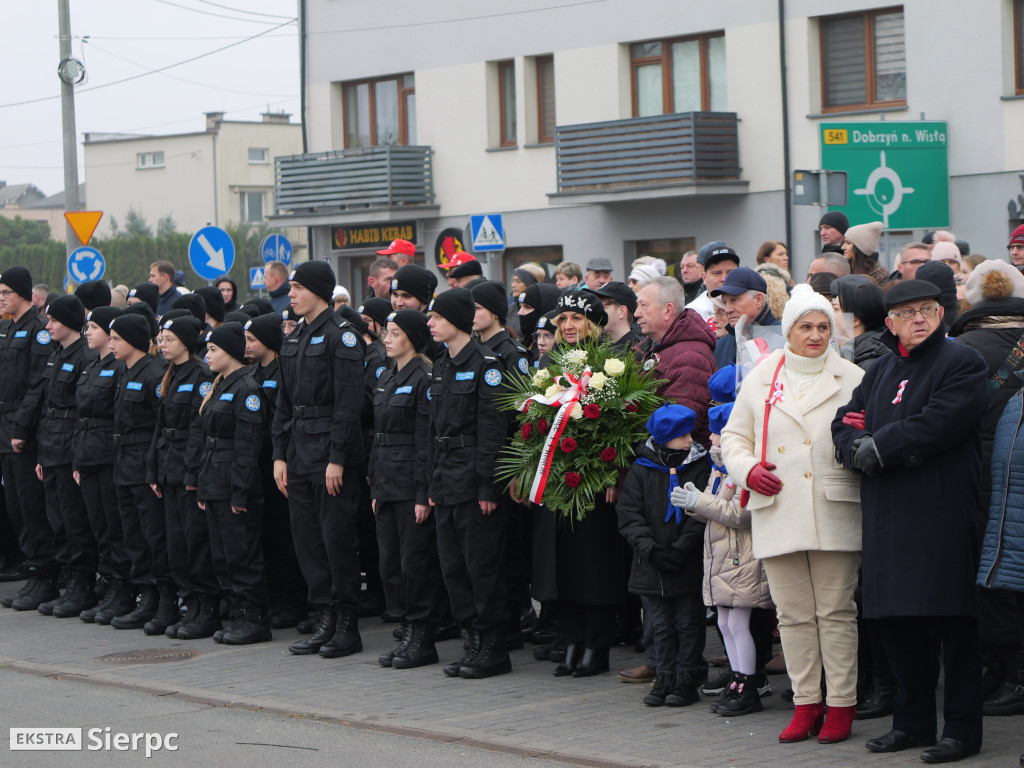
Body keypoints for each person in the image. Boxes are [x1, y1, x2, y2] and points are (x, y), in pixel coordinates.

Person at [833, 279, 988, 763]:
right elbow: (845, 419)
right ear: (891, 322)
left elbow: (942, 420)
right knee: (897, 626)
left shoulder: (962, 362)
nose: (918, 318)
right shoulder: (879, 369)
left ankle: (961, 731)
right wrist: (853, 444)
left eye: (927, 309)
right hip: (887, 516)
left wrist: (881, 444)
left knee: (953, 626)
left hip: (939, 513)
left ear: (942, 314)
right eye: (907, 312)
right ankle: (912, 722)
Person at [723, 283, 865, 745]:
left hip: (834, 506)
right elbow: (733, 439)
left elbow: (869, 435)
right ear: (789, 330)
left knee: (837, 612)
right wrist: (747, 471)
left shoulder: (854, 377)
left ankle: (841, 704)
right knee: (793, 615)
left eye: (824, 326)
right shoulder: (762, 374)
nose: (816, 334)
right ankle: (807, 703)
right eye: (806, 326)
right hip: (779, 507)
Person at [272, 261, 368, 659]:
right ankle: (324, 616)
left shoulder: (341, 337)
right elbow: (283, 403)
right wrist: (279, 454)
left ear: (317, 291)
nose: (290, 294)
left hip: (329, 451)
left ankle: (346, 624)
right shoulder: (294, 338)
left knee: (336, 539)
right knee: (308, 540)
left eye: (296, 288)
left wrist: (338, 457)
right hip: (299, 451)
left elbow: (349, 403)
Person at [425, 288, 509, 678]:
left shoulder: (486, 365)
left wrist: (487, 489)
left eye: (436, 317)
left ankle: (492, 647)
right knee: (453, 566)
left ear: (456, 320)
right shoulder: (440, 364)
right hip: (445, 480)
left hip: (473, 482)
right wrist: (430, 484)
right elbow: (432, 431)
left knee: (481, 567)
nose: (430, 323)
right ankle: (471, 640)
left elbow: (492, 433)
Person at [675, 398, 773, 716]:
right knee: (725, 621)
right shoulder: (721, 467)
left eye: (716, 434)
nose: (710, 440)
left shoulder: (744, 466)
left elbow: (741, 515)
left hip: (741, 557)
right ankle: (737, 680)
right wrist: (693, 501)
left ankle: (748, 684)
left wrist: (700, 501)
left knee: (739, 623)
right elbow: (715, 512)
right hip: (723, 556)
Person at [617, 404, 710, 706]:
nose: (689, 441)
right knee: (660, 622)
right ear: (663, 438)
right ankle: (664, 674)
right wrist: (651, 550)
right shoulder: (642, 469)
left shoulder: (699, 465)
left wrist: (682, 548)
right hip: (652, 563)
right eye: (681, 436)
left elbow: (702, 511)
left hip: (687, 560)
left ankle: (687, 676)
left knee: (687, 621)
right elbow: (629, 515)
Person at [371, 309, 442, 668]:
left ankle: (422, 636)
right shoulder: (387, 374)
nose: (387, 338)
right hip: (385, 482)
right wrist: (373, 483)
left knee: (414, 564)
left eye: (395, 333)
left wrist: (421, 493)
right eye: (386, 332)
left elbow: (424, 441)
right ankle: (406, 630)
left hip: (409, 485)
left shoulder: (424, 377)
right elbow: (378, 435)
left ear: (412, 338)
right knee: (391, 566)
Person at [196, 323, 270, 644]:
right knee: (223, 555)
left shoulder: (247, 389)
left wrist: (240, 491)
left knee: (242, 554)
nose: (207, 355)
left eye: (213, 349)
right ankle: (237, 614)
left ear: (230, 351)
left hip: (234, 483)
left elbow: (247, 447)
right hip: (214, 480)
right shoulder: (221, 384)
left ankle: (254, 619)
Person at [147, 315, 217, 638]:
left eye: (169, 339)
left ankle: (206, 608)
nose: (162, 344)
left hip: (187, 473)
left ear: (186, 342)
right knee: (176, 545)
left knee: (195, 544)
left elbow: (197, 431)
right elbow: (160, 427)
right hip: (169, 469)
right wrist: (154, 470)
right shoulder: (170, 374)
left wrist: (190, 474)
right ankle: (189, 604)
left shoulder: (201, 374)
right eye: (161, 339)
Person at [33, 295, 99, 618]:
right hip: (51, 446)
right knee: (56, 518)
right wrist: (42, 454)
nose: (48, 326)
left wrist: (74, 457)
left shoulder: (85, 357)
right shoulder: (56, 355)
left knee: (75, 520)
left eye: (54, 320)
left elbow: (78, 411)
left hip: (70, 446)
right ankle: (67, 579)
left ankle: (82, 583)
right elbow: (49, 407)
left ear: (69, 322)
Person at [244, 313, 307, 631]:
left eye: (252, 339)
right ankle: (275, 596)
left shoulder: (284, 371)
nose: (247, 345)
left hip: (279, 461)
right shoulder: (252, 372)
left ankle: (294, 601)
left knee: (286, 537)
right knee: (266, 535)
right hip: (258, 464)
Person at [0, 267, 57, 611]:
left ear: (23, 293)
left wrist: (21, 428)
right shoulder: (7, 328)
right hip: (4, 423)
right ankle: (32, 570)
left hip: (22, 428)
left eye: (6, 292)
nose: (2, 297)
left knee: (30, 504)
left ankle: (44, 576)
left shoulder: (38, 332)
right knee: (15, 506)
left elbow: (37, 386)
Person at [108, 313, 169, 631]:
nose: (111, 343)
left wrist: (153, 469)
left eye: (116, 338)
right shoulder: (124, 370)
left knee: (153, 534)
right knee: (132, 534)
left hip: (144, 464)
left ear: (132, 340)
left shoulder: (153, 373)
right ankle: (144, 593)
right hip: (124, 464)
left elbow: (158, 425)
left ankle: (162, 598)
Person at [75, 306, 135, 624]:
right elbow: (79, 415)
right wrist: (77, 459)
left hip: (109, 456)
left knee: (115, 527)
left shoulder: (119, 367)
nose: (88, 332)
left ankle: (122, 589)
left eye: (95, 328)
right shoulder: (89, 365)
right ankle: (109, 584)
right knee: (99, 527)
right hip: (87, 455)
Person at [634, 277, 716, 444]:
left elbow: (677, 429)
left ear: (667, 311)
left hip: (673, 465)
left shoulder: (690, 357)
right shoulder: (653, 347)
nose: (636, 313)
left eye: (644, 305)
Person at [709, 267, 781, 371]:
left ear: (758, 299)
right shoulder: (721, 346)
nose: (727, 310)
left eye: (734, 300)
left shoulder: (785, 339)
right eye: (725, 303)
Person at [829, 276, 888, 368]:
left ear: (854, 320)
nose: (830, 314)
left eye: (836, 309)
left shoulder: (869, 360)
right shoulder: (853, 352)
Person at [686, 243, 739, 324]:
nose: (724, 279)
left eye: (730, 272)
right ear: (704, 277)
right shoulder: (692, 313)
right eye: (717, 273)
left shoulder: (751, 305)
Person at [592, 281, 640, 352]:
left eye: (602, 308)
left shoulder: (638, 351)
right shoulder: (594, 345)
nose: (596, 313)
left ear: (622, 312)